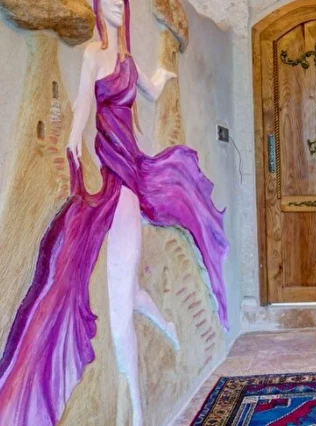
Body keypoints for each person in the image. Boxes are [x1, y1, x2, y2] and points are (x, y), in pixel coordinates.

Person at [0, 0, 229, 424]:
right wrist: (72, 140)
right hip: (113, 176)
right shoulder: (92, 55)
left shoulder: (126, 61)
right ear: (97, 7)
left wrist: (165, 71)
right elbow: (84, 106)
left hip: (130, 178)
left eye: (121, 3)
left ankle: (138, 407)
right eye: (108, 2)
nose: (117, 9)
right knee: (122, 291)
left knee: (122, 302)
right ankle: (159, 331)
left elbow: (151, 89)